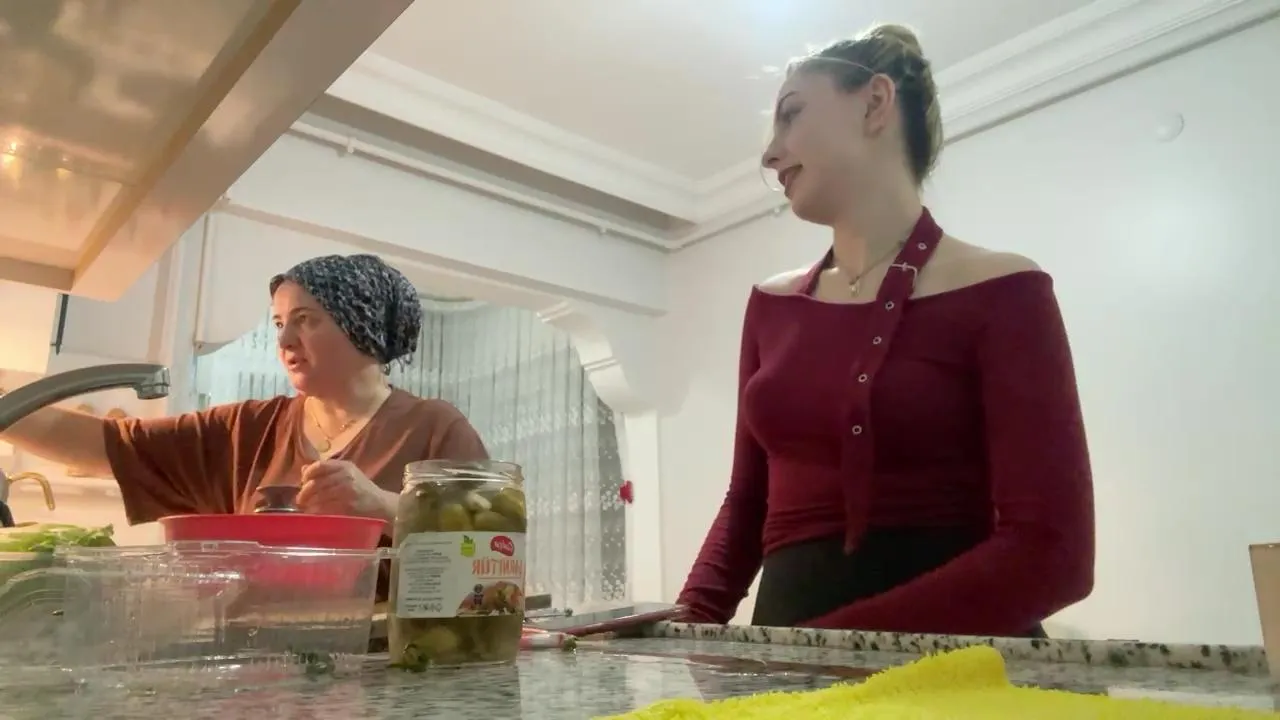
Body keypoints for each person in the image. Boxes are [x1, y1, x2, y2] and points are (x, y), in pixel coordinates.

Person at [677, 24, 1095, 637]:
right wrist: (682, 627)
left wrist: (833, 652)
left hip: (952, 673)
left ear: (875, 103)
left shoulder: (1007, 289)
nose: (769, 155)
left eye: (791, 115)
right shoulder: (770, 305)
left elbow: (1053, 553)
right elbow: (748, 504)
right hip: (783, 671)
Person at [0, 253, 488, 535]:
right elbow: (106, 445)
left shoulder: (435, 429)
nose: (284, 340)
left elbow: (491, 543)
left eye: (305, 320)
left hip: (391, 669)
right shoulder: (246, 430)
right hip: (262, 664)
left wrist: (383, 506)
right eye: (279, 323)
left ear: (362, 325)